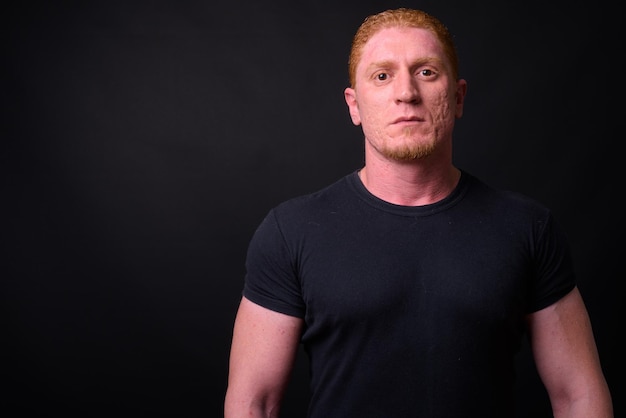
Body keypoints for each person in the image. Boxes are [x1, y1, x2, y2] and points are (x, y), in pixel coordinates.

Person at [224, 7, 613, 418]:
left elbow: (578, 396)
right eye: (382, 75)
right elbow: (255, 403)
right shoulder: (291, 232)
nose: (406, 92)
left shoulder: (528, 228)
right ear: (354, 106)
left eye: (426, 72)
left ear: (458, 97)